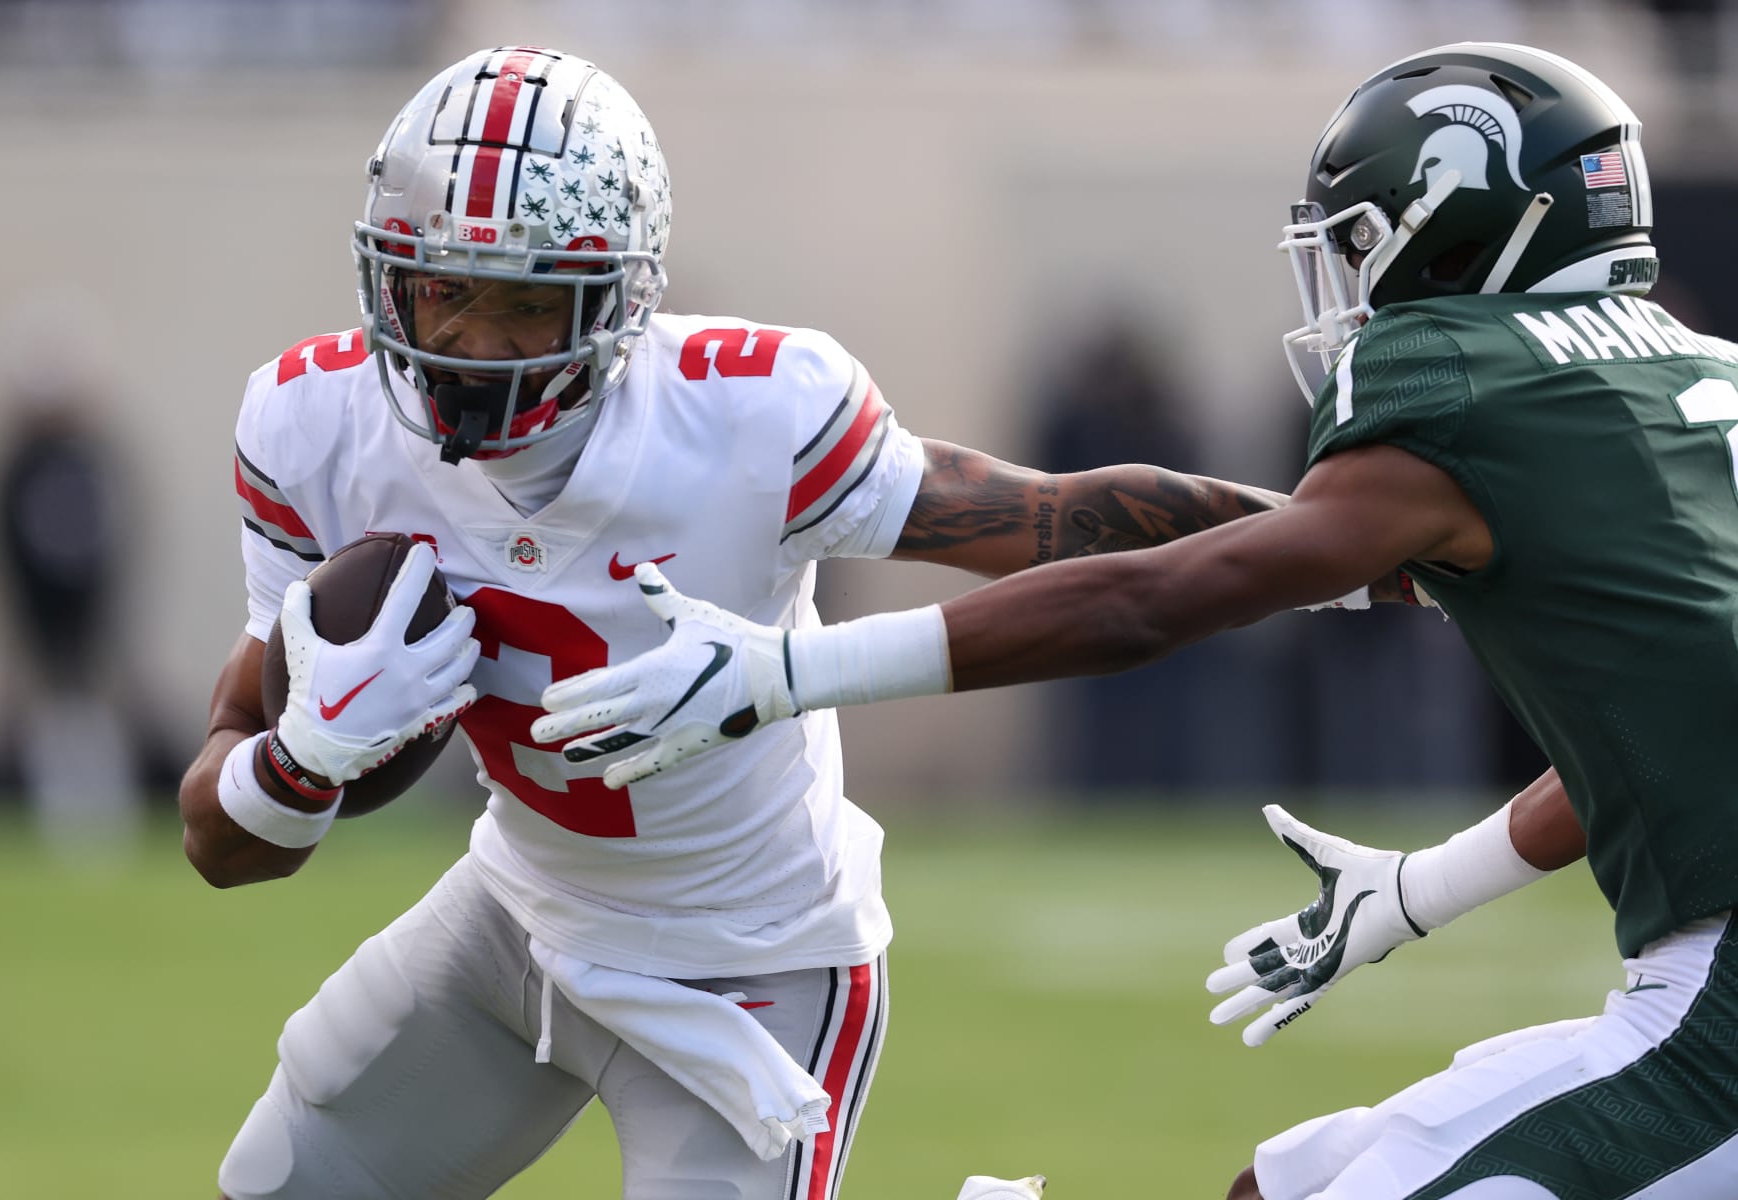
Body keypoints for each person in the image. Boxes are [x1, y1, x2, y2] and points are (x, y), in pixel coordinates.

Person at [534, 41, 1738, 1199]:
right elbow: (1668, 729)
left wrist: (787, 672)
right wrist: (1419, 890)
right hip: (1699, 980)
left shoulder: (1475, 380)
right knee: (1285, 1181)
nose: (1351, 282)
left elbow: (1152, 597)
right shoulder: (1695, 382)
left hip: (1718, 1010)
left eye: (1360, 242)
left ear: (1460, 217)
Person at [177, 45, 1312, 1200]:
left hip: (755, 965)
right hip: (517, 914)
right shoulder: (317, 426)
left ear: (618, 297)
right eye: (442, 289)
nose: (468, 345)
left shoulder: (748, 416)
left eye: (525, 303)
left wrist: (1353, 547)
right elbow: (221, 848)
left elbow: (1057, 520)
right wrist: (298, 761)